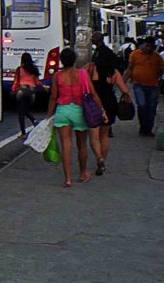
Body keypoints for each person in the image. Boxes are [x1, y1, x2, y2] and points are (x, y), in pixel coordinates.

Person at [46, 47, 105, 187]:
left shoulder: (57, 76)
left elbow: (54, 97)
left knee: (66, 145)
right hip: (79, 110)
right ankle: (83, 172)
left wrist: (49, 116)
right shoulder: (83, 74)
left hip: (63, 110)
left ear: (61, 60)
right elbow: (93, 93)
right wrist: (102, 110)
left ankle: (68, 178)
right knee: (82, 145)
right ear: (74, 60)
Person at [89, 31, 131, 174]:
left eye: (93, 37)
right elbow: (124, 88)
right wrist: (126, 96)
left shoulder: (93, 70)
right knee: (105, 134)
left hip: (94, 102)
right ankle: (102, 162)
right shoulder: (113, 72)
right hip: (109, 100)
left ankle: (99, 157)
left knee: (94, 135)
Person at [124, 37, 164, 137]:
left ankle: (148, 128)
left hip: (153, 86)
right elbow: (129, 69)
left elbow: (161, 69)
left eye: (150, 46)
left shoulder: (157, 56)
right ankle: (143, 126)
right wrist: (122, 81)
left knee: (151, 107)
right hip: (138, 85)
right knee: (142, 105)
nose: (148, 48)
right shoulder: (135, 54)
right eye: (146, 46)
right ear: (142, 45)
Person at [11, 52, 40, 137]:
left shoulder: (19, 69)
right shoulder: (34, 70)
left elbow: (16, 81)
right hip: (31, 91)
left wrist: (13, 90)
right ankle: (34, 121)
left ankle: (23, 132)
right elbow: (37, 82)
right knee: (25, 109)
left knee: (21, 112)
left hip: (21, 91)